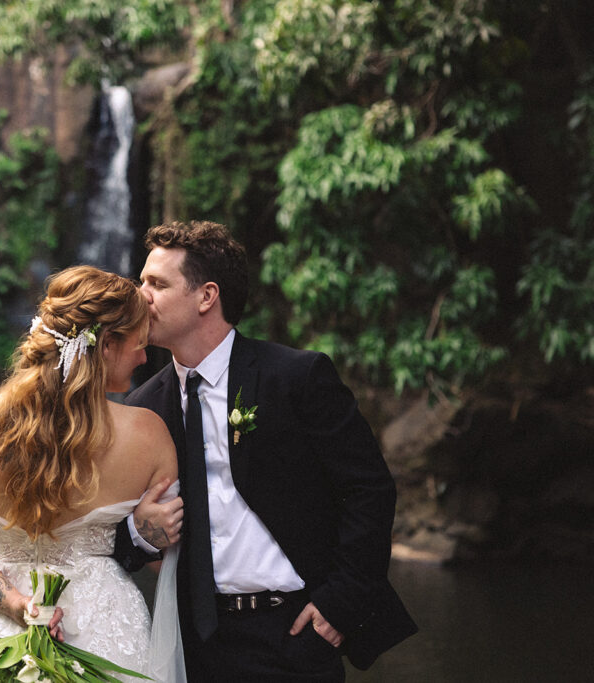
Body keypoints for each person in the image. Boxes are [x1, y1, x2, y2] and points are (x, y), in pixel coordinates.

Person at [115, 221, 417, 681]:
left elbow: (368, 491)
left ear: (206, 296)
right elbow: (110, 533)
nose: (140, 297)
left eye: (157, 284)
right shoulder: (143, 408)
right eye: (142, 282)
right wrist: (141, 532)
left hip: (294, 632)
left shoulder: (297, 378)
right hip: (194, 643)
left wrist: (339, 604)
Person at [0, 265, 187, 682]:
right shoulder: (149, 434)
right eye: (139, 345)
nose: (145, 358)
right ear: (107, 345)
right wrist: (143, 532)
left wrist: (17, 604)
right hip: (102, 630)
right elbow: (169, 557)